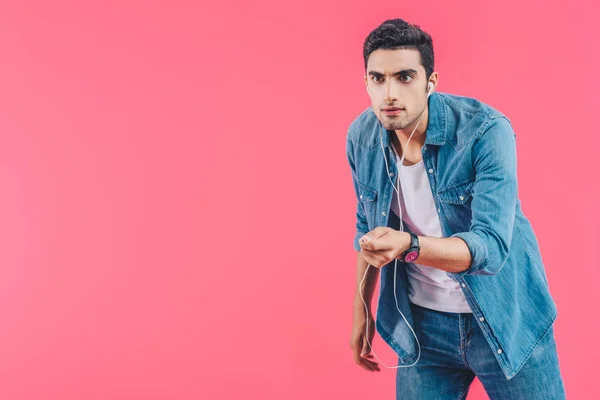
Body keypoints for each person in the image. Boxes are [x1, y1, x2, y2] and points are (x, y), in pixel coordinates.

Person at [346, 18, 566, 399]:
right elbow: (367, 227)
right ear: (366, 81)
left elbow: (491, 246)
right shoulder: (362, 137)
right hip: (424, 330)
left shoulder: (485, 132)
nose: (390, 93)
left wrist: (410, 245)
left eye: (405, 77)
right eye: (378, 79)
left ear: (430, 83)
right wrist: (361, 306)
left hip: (506, 318)